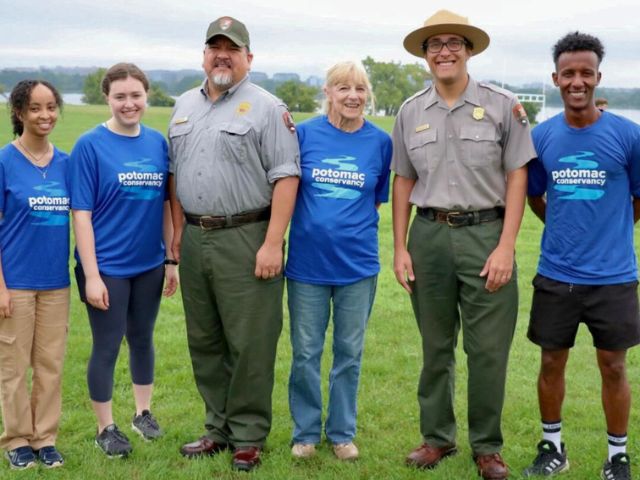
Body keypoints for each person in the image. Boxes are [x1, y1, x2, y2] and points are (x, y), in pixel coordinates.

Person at [391, 10, 535, 480]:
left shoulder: (502, 105)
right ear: (426, 55)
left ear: (469, 51)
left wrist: (506, 246)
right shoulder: (411, 111)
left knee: (488, 351)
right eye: (435, 45)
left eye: (455, 43)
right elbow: (403, 181)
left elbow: (518, 175)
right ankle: (436, 439)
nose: (445, 51)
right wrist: (400, 246)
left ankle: (487, 447)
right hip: (428, 236)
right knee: (436, 347)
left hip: (485, 234)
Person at [168, 16, 300, 472]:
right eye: (214, 47)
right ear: (204, 54)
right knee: (204, 338)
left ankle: (247, 434)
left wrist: (272, 243)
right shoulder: (183, 105)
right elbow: (175, 177)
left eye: (232, 48)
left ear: (249, 57)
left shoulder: (268, 108)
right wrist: (178, 234)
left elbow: (286, 176)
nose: (221, 54)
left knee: (250, 342)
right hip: (197, 238)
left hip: (247, 236)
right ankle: (217, 427)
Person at [523, 32, 640, 480]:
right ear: (555, 78)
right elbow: (535, 196)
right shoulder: (543, 137)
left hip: (613, 277)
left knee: (613, 364)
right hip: (557, 273)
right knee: (551, 361)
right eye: (568, 73)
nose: (577, 81)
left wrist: (613, 231)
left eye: (585, 73)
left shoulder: (628, 136)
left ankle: (617, 457)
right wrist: (562, 229)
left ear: (598, 77)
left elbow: (637, 197)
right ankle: (553, 447)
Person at [69, 63, 178, 458]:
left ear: (146, 96)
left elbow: (166, 204)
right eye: (120, 96)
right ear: (107, 99)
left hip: (148, 263)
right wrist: (92, 276)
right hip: (107, 268)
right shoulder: (89, 145)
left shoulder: (156, 143)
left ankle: (142, 413)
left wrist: (170, 260)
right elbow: (80, 213)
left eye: (136, 95)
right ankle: (105, 427)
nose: (129, 103)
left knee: (143, 338)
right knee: (108, 344)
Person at [285, 61, 392, 461]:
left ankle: (342, 432)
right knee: (306, 352)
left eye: (360, 89)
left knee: (349, 352)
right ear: (327, 92)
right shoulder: (304, 135)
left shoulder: (380, 142)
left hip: (357, 268)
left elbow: (376, 197)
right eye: (343, 87)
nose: (353, 96)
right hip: (306, 267)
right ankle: (307, 433)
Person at [0, 80, 69, 470]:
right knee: (13, 367)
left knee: (50, 365)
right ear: (20, 113)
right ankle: (16, 439)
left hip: (55, 285)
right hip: (16, 285)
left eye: (51, 107)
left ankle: (45, 438)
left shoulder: (67, 163)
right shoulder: (4, 162)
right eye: (36, 108)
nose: (45, 115)